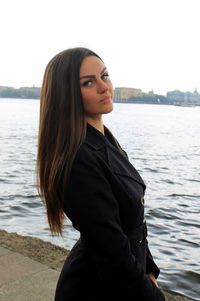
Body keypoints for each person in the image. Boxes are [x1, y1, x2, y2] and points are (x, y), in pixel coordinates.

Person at [36, 47, 165, 301]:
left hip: (121, 277)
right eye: (88, 82)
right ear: (67, 95)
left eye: (104, 76)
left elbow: (133, 223)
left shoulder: (104, 140)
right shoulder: (78, 158)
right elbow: (111, 251)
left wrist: (149, 269)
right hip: (97, 289)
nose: (104, 87)